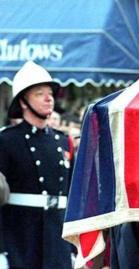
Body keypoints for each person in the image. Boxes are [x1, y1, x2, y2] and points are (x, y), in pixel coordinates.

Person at [0, 61, 75, 268]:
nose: (48, 98)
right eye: (39, 93)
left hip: (57, 239)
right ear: (23, 102)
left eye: (50, 92)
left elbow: (74, 196)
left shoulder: (62, 141)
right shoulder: (7, 140)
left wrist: (74, 247)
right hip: (21, 239)